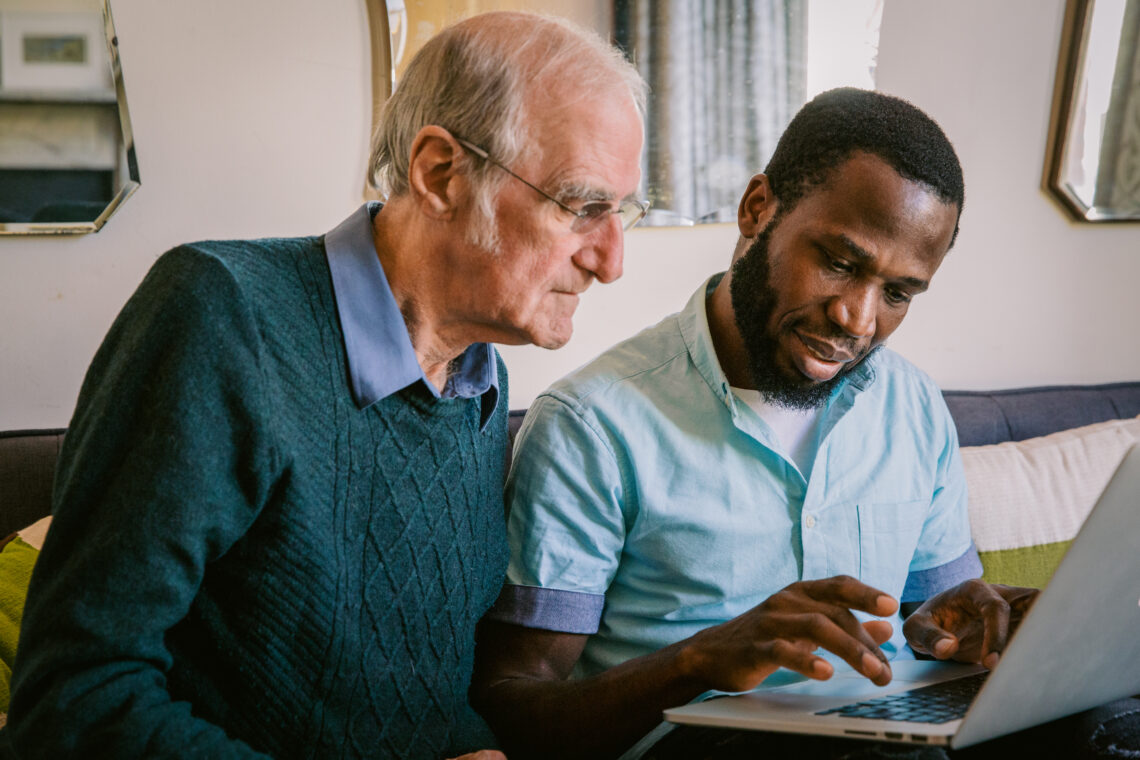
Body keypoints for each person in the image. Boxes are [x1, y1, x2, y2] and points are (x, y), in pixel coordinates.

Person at [4, 11, 647, 760]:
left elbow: (415, 701)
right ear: (440, 173)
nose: (611, 260)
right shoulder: (221, 316)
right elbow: (76, 698)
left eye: (624, 211)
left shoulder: (480, 382)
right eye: (582, 207)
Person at [470, 88, 1140, 759]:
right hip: (697, 746)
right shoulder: (593, 425)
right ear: (758, 210)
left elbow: (934, 628)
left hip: (888, 740)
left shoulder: (911, 406)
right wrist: (696, 660)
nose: (858, 318)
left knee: (1111, 724)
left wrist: (973, 626)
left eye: (898, 293)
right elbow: (516, 708)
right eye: (839, 264)